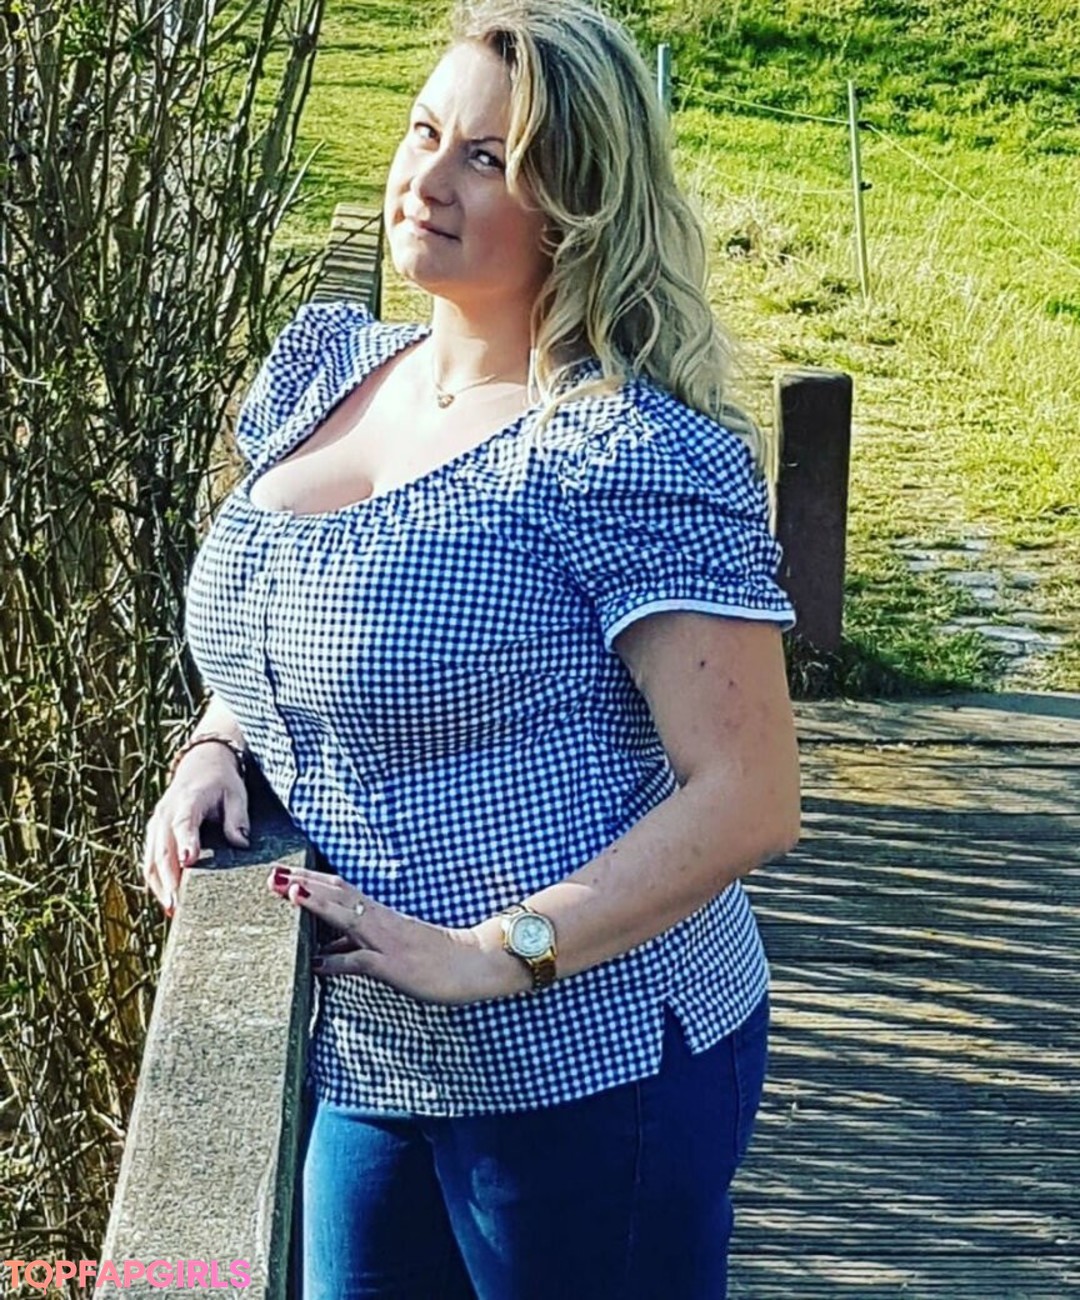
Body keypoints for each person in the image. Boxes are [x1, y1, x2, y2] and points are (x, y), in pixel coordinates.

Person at [142, 0, 800, 1295]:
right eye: (424, 131)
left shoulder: (623, 450)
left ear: (579, 207)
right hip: (371, 1056)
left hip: (592, 1071)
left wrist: (500, 953)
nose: (427, 179)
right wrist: (220, 744)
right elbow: (282, 621)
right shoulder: (327, 372)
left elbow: (749, 794)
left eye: (488, 159)